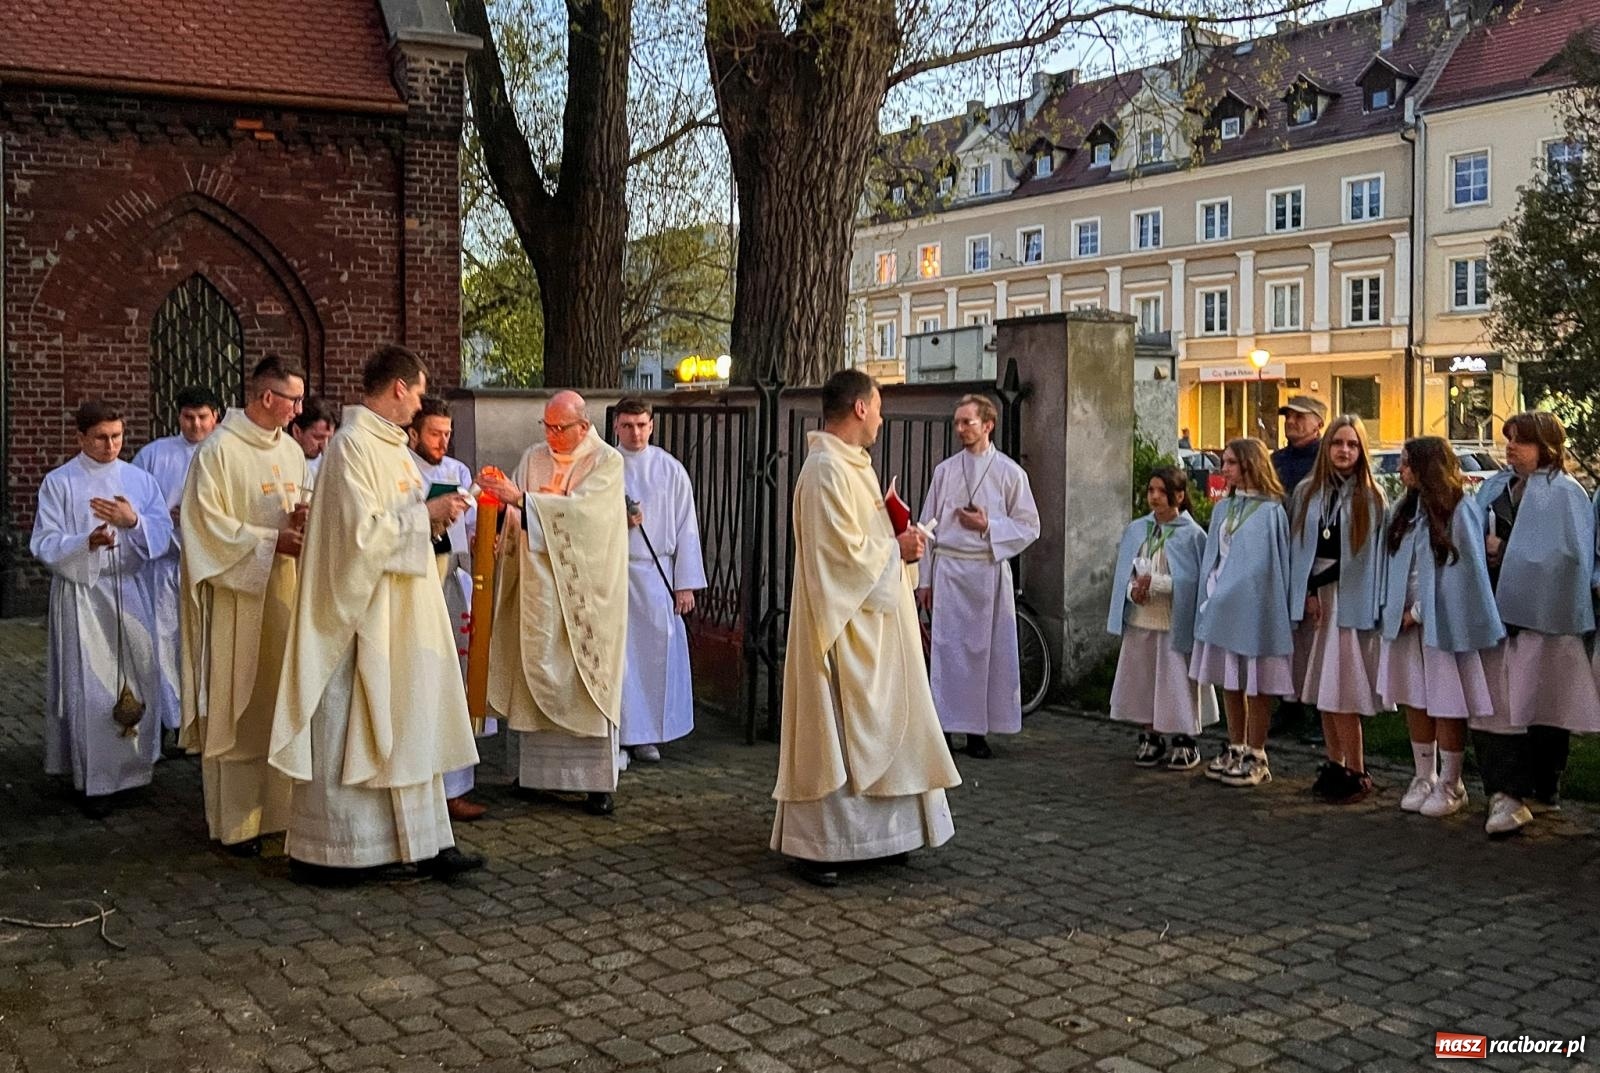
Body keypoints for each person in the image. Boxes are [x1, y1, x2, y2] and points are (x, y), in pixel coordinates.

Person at [269, 344, 482, 883]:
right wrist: (425, 515)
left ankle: (428, 842)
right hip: (364, 617)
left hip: (404, 611)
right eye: (418, 392)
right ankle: (335, 853)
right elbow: (358, 538)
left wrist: (434, 519)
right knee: (355, 724)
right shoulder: (352, 448)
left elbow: (398, 520)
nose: (420, 405)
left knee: (412, 721)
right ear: (399, 388)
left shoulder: (391, 446)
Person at [772, 370, 961, 887]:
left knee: (891, 720)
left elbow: (864, 542)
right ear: (859, 407)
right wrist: (894, 549)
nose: (880, 417)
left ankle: (886, 838)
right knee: (839, 727)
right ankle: (826, 846)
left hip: (875, 622)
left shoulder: (855, 465)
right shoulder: (825, 470)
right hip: (840, 629)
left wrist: (900, 539)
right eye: (877, 406)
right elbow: (836, 557)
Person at [179, 356, 308, 855]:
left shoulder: (292, 451)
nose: (299, 410)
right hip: (237, 599)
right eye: (294, 399)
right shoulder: (218, 451)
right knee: (240, 704)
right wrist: (271, 542)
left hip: (285, 592)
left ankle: (280, 814)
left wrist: (303, 520)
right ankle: (235, 825)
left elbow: (298, 508)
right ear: (267, 397)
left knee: (279, 700)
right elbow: (203, 527)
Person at [479, 391, 629, 817]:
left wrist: (521, 501)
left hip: (583, 595)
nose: (552, 436)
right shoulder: (533, 458)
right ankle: (535, 777)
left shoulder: (606, 462)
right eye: (546, 426)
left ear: (584, 426)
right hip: (537, 592)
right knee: (534, 677)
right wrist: (501, 518)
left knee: (584, 684)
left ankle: (595, 785)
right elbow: (514, 511)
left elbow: (587, 519)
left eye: (560, 428)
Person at [31, 400, 172, 817]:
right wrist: (85, 543)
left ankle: (134, 771)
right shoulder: (60, 482)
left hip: (130, 590)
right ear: (80, 437)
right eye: (100, 438)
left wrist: (134, 522)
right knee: (90, 684)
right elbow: (44, 540)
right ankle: (95, 780)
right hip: (83, 596)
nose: (111, 446)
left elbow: (162, 532)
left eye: (117, 436)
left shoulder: (139, 480)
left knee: (139, 676)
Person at [1469, 412, 1600, 837]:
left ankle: (1544, 786)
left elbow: (1570, 557)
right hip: (1494, 617)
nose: (1510, 447)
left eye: (1521, 440)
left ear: (1546, 446)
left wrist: (1506, 549)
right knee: (1498, 707)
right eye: (1508, 439)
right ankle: (1505, 792)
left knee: (1545, 702)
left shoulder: (1566, 493)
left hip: (1543, 622)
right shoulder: (1494, 487)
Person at [1376, 437, 1503, 819]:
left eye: (1407, 464)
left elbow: (1463, 572)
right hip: (1405, 622)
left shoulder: (1459, 509)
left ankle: (1452, 782)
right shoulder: (1404, 509)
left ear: (1426, 467)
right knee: (1415, 698)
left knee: (1447, 702)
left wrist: (1418, 613)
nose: (1401, 470)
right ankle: (1423, 775)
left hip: (1442, 623)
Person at [915, 394, 1040, 759]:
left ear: (988, 425)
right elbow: (927, 526)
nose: (960, 428)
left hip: (986, 572)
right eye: (956, 422)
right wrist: (925, 580)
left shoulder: (1010, 473)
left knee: (984, 655)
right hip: (950, 571)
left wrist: (989, 526)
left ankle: (976, 733)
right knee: (947, 652)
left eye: (966, 422)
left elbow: (1029, 526)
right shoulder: (945, 471)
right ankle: (944, 729)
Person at [1287, 416, 1386, 804]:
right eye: (1338, 443)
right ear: (1326, 448)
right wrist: (1308, 591)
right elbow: (1301, 548)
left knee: (1343, 688)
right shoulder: (1308, 492)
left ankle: (1357, 769)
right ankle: (1334, 762)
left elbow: (1369, 558)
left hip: (1349, 601)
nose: (1344, 451)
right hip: (1318, 602)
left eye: (1352, 444)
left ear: (1361, 451)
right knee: (1323, 689)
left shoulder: (1370, 496)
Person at [1190, 438, 1294, 788]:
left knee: (1256, 682)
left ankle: (1257, 752)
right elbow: (1215, 555)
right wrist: (1211, 590)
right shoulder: (1224, 508)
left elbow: (1273, 564)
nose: (1225, 469)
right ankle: (1235, 745)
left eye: (1231, 462)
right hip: (1221, 604)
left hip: (1254, 608)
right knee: (1230, 679)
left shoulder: (1271, 511)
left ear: (1251, 464)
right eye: (1224, 462)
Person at [408, 395, 491, 822]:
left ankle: (457, 787)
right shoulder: (402, 469)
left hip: (455, 579)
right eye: (434, 434)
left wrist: (483, 530)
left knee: (458, 679)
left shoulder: (457, 471)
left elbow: (474, 527)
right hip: (418, 578)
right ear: (413, 433)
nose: (442, 442)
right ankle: (421, 785)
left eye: (447, 434)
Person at [614, 398, 706, 764]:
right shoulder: (606, 467)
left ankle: (649, 734)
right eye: (627, 425)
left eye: (641, 425)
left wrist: (685, 583)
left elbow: (687, 528)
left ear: (651, 425)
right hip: (617, 571)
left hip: (656, 572)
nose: (635, 433)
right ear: (616, 427)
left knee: (655, 657)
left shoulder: (670, 469)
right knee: (622, 658)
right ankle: (621, 733)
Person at [1107, 467, 1216, 769]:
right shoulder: (1138, 529)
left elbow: (1194, 582)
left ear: (1178, 496)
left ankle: (1185, 738)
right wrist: (1133, 591)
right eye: (1150, 490)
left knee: (1176, 682)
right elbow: (1125, 573)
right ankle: (1150, 734)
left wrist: (1155, 584)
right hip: (1141, 619)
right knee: (1144, 680)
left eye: (1161, 491)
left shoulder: (1192, 535)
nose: (1154, 497)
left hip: (1172, 621)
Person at [132, 384, 222, 739]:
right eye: (188, 417)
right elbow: (134, 506)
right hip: (166, 565)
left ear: (216, 417)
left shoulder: (225, 453)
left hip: (211, 566)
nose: (195, 425)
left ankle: (208, 718)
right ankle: (171, 721)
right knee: (165, 642)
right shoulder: (154, 455)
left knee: (207, 644)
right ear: (178, 417)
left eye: (202, 417)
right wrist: (163, 517)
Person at [1270, 394, 1329, 742]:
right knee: (1287, 637)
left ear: (1318, 423)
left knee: (1317, 639)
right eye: (1288, 416)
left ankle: (1322, 710)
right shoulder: (1276, 461)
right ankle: (1288, 703)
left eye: (1299, 417)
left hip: (1318, 556)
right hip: (1282, 554)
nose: (1291, 422)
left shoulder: (1325, 460)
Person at [289, 398, 338, 488]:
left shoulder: (328, 464)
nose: (324, 446)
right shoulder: (282, 461)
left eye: (329, 438)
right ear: (297, 432)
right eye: (318, 437)